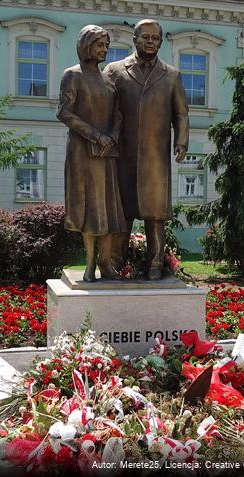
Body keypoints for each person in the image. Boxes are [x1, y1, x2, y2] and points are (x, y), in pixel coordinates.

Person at [104, 19, 189, 280]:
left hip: (155, 157)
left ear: (161, 42)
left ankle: (155, 266)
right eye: (145, 37)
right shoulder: (115, 70)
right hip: (122, 155)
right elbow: (102, 106)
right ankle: (115, 265)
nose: (150, 41)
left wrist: (181, 141)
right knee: (122, 215)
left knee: (155, 217)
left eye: (155, 38)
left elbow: (181, 113)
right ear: (135, 39)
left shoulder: (171, 75)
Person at [57, 25, 126, 282]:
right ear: (87, 45)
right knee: (89, 209)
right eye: (100, 44)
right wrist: (96, 135)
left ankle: (106, 264)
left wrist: (113, 137)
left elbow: (118, 114)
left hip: (107, 153)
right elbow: (64, 112)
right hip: (83, 152)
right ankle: (88, 266)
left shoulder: (109, 80)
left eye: (106, 45)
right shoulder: (72, 76)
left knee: (108, 209)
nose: (104, 50)